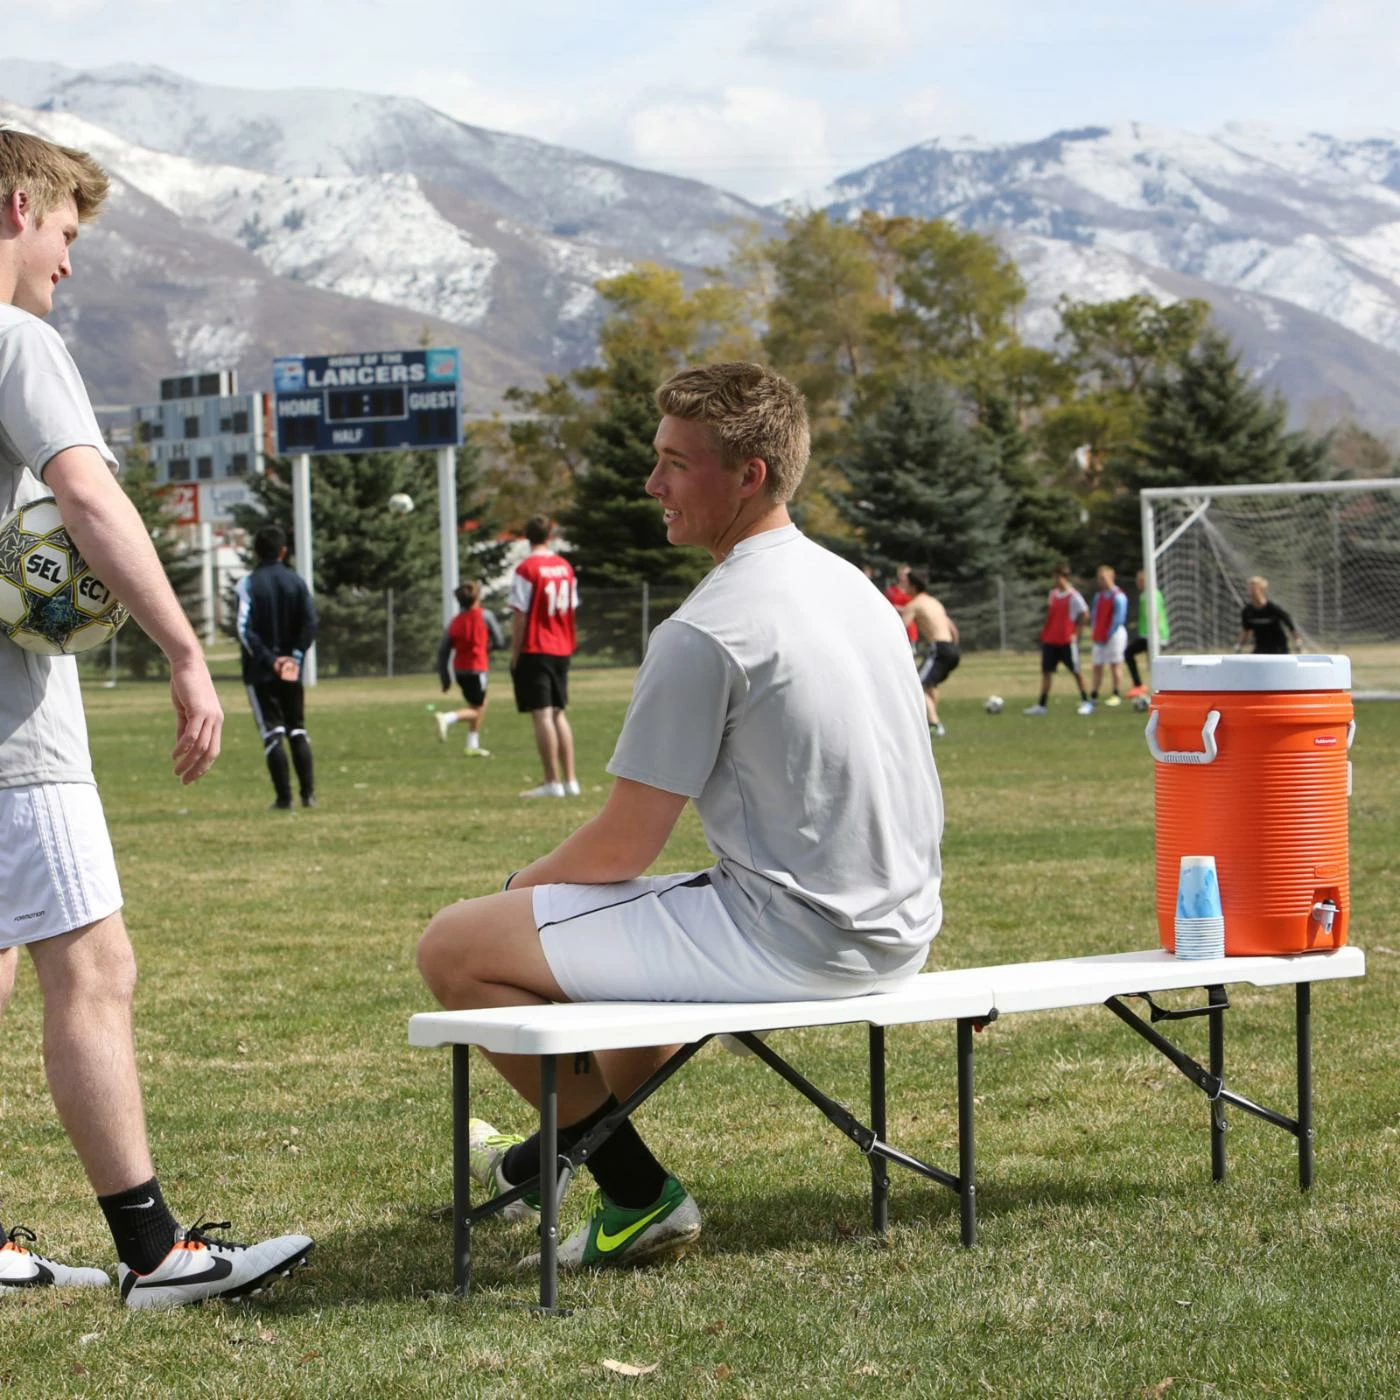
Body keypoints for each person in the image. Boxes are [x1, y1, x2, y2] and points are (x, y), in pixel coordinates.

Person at [417, 361, 942, 1272]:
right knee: (615, 943)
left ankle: (637, 1196)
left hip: (799, 936)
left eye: (676, 463)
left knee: (455, 946)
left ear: (749, 477)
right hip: (899, 928)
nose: (651, 483)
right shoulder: (856, 589)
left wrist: (514, 891)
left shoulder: (707, 627)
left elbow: (625, 843)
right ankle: (542, 1160)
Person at [0, 125, 310, 1305]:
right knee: (94, 962)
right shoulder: (16, 339)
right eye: (64, 233)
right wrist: (186, 650)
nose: (68, 262)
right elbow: (85, 492)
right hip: (14, 737)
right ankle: (155, 1251)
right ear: (18, 207)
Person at [236, 523, 318, 809]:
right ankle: (308, 795)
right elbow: (310, 623)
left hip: (260, 672)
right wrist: (293, 658)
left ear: (256, 552)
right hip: (291, 671)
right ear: (283, 552)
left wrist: (271, 661)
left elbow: (244, 630)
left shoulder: (248, 584)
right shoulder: (297, 582)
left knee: (272, 733)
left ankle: (284, 799)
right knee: (297, 729)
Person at [509, 514, 580, 799]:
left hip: (536, 647)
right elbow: (571, 607)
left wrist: (515, 654)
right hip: (562, 647)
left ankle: (552, 781)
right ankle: (571, 780)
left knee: (542, 714)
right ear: (550, 536)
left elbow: (520, 616)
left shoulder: (526, 569)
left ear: (526, 537)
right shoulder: (565, 567)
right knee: (559, 713)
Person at [435, 581, 504, 755]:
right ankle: (448, 718)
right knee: (477, 709)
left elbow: (443, 651)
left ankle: (472, 744)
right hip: (477, 668)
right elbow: (499, 641)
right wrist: (486, 649)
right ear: (477, 597)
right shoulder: (485, 615)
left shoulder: (455, 622)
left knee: (477, 703)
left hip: (459, 670)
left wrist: (445, 678)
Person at [1025, 564, 1092, 716]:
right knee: (1046, 672)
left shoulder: (1073, 595)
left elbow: (1085, 613)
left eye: (1058, 577)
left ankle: (1086, 701)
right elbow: (1051, 616)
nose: (1055, 580)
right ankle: (1042, 705)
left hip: (1066, 641)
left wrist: (1076, 633)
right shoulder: (1053, 594)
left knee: (1076, 671)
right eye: (1054, 577)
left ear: (1065, 578)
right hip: (1051, 640)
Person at [901, 572, 960, 737]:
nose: (903, 587)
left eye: (906, 584)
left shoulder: (914, 605)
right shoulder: (934, 602)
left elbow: (900, 627)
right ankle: (929, 719)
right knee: (931, 685)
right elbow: (954, 630)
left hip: (938, 649)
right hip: (952, 648)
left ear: (913, 586)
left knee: (918, 686)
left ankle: (935, 724)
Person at [1087, 564, 1129, 708]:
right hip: (1100, 636)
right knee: (1097, 665)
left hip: (1114, 635)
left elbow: (1119, 618)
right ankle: (1093, 695)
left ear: (1111, 577)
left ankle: (1116, 694)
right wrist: (1096, 631)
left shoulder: (1119, 596)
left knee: (1115, 664)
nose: (1101, 581)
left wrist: (1108, 634)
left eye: (1104, 578)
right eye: (1099, 578)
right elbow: (1094, 615)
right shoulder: (1098, 596)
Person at [1125, 569, 1168, 698]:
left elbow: (1155, 614)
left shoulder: (1149, 595)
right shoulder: (1152, 594)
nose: (1138, 583)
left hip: (1153, 635)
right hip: (1154, 635)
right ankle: (1153, 689)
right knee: (1152, 663)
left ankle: (1141, 686)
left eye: (1140, 580)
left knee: (1129, 653)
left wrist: (1155, 632)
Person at [1239, 576, 1300, 655]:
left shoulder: (1273, 608)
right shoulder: (1247, 611)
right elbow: (1247, 631)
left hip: (1279, 649)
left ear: (1262, 590)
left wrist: (1297, 640)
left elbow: (1290, 625)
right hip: (1261, 648)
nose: (1251, 592)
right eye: (1250, 589)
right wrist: (1239, 646)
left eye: (1254, 589)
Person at [883, 563, 919, 646]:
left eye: (907, 574)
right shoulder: (891, 590)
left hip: (909, 629)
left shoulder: (914, 591)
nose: (904, 577)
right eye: (902, 574)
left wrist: (902, 609)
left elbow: (919, 608)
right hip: (894, 628)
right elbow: (884, 607)